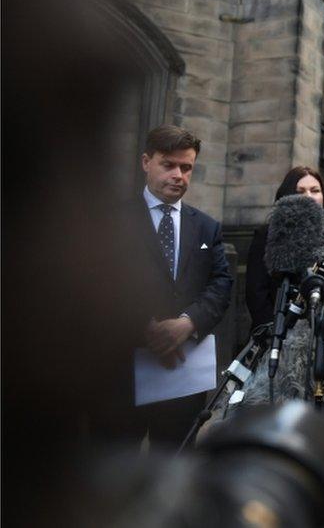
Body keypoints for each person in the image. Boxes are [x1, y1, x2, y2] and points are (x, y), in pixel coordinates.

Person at [129, 125, 233, 445]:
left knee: (174, 472)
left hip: (183, 380)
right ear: (147, 162)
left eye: (186, 167)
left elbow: (221, 282)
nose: (178, 175)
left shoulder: (205, 227)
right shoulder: (112, 220)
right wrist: (144, 327)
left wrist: (188, 323)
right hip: (122, 373)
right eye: (169, 165)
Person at [245, 166, 324, 332]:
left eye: (315, 190)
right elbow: (256, 292)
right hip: (277, 333)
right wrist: (274, 331)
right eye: (300, 191)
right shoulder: (268, 234)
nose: (308, 196)